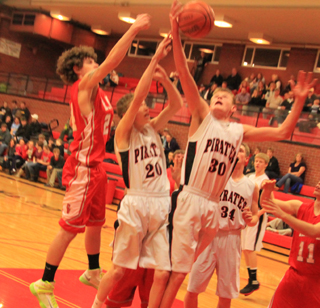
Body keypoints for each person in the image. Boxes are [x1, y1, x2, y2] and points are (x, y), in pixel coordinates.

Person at [160, 2, 316, 307]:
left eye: (224, 97)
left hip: (214, 212)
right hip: (191, 197)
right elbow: (182, 71)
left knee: (195, 279)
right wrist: (176, 31)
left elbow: (283, 132)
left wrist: (297, 104)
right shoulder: (202, 116)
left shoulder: (238, 131)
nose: (217, 97)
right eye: (214, 95)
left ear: (234, 108)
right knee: (176, 274)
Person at [30, 14, 151, 308]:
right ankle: (44, 282)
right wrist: (133, 29)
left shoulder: (98, 92)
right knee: (69, 228)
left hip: (96, 169)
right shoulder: (84, 86)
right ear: (77, 68)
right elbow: (112, 63)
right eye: (90, 61)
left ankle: (92, 270)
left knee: (96, 223)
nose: (97, 64)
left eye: (96, 62)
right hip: (83, 169)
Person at [91, 35, 183, 308]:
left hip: (161, 205)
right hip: (136, 204)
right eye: (142, 105)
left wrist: (166, 80)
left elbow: (176, 106)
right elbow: (137, 98)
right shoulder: (124, 134)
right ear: (129, 112)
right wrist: (155, 57)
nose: (146, 106)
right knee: (119, 270)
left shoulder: (153, 129)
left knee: (161, 272)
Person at [184, 143, 260, 308]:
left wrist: (250, 219)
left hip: (232, 238)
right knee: (192, 288)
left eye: (240, 150)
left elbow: (254, 218)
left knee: (226, 294)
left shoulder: (252, 186)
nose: (236, 153)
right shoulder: (215, 176)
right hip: (208, 235)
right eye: (234, 149)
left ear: (247, 159)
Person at [260, 179, 320, 307]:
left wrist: (284, 216)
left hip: (316, 282)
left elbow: (314, 231)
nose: (319, 183)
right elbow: (267, 203)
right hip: (293, 276)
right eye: (319, 181)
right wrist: (267, 190)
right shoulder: (300, 206)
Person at [240, 152, 269, 295]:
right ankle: (252, 280)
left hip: (257, 217)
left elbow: (269, 204)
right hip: (247, 215)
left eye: (260, 162)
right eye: (256, 161)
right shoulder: (250, 177)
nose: (257, 163)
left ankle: (254, 281)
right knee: (245, 248)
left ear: (266, 164)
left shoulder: (265, 181)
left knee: (250, 248)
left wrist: (257, 214)